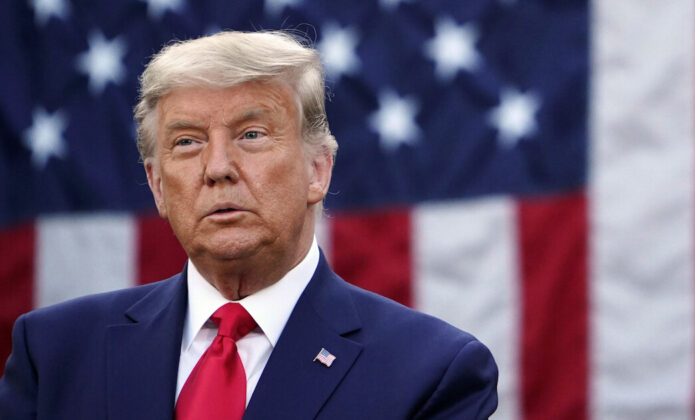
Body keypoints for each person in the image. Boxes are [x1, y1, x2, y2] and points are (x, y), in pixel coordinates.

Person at [0, 30, 498, 419]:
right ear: (156, 184)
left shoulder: (431, 371)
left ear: (317, 170)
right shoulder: (54, 353)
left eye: (252, 134)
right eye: (187, 142)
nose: (217, 167)